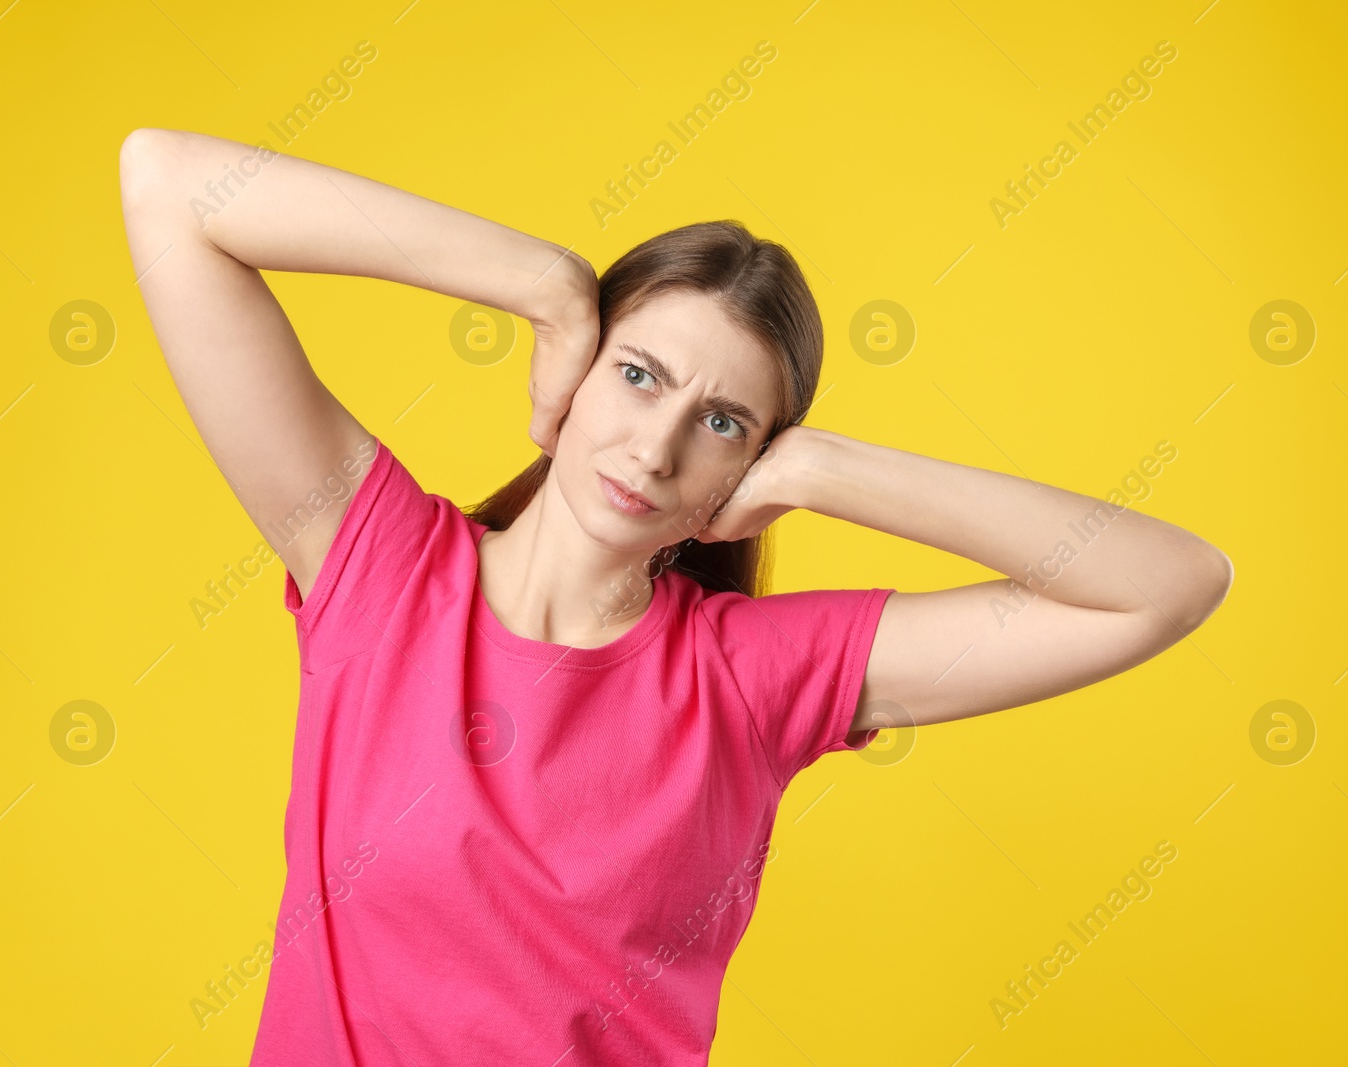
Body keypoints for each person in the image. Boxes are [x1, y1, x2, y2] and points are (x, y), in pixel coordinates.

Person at [118, 128, 1232, 1065]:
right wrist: (543, 285)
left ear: (745, 469)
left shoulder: (750, 676)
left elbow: (1165, 586)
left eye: (722, 422)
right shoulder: (381, 569)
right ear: (580, 369)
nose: (654, 446)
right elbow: (166, 183)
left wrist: (827, 471)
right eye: (639, 372)